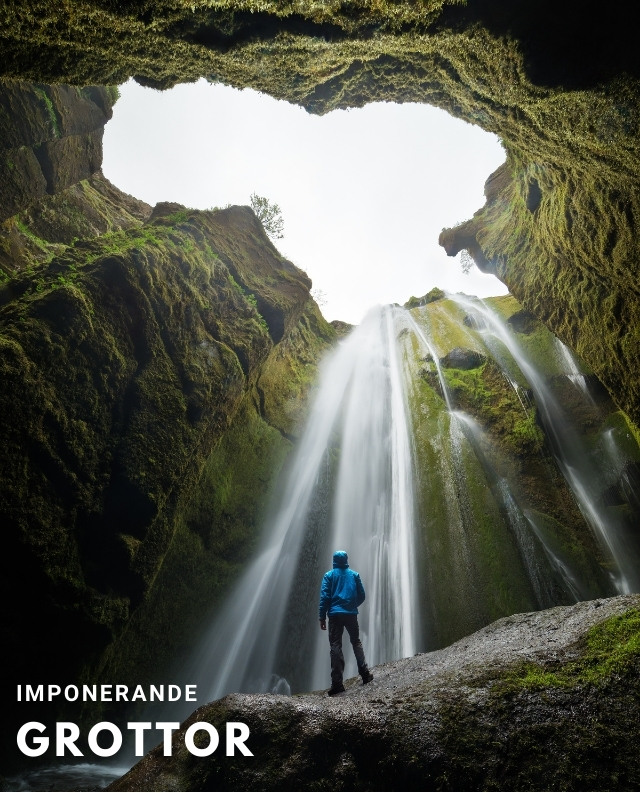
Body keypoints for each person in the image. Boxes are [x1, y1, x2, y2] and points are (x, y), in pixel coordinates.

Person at [318, 549, 374, 696]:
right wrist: (352, 605)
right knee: (356, 642)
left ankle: (337, 683)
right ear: (346, 560)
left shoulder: (329, 576)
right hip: (351, 614)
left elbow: (324, 598)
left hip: (335, 615)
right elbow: (362, 595)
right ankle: (365, 674)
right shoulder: (354, 575)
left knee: (335, 645)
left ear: (334, 561)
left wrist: (322, 617)